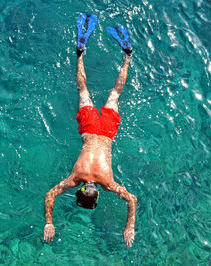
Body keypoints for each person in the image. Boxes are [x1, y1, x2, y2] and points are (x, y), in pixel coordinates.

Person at [43, 13, 137, 248]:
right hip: (88, 128)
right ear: (83, 190)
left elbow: (132, 200)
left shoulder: (107, 183)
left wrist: (129, 226)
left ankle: (127, 57)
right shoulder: (76, 179)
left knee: (115, 94)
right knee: (82, 88)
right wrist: (48, 223)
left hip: (106, 132)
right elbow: (49, 196)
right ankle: (80, 53)